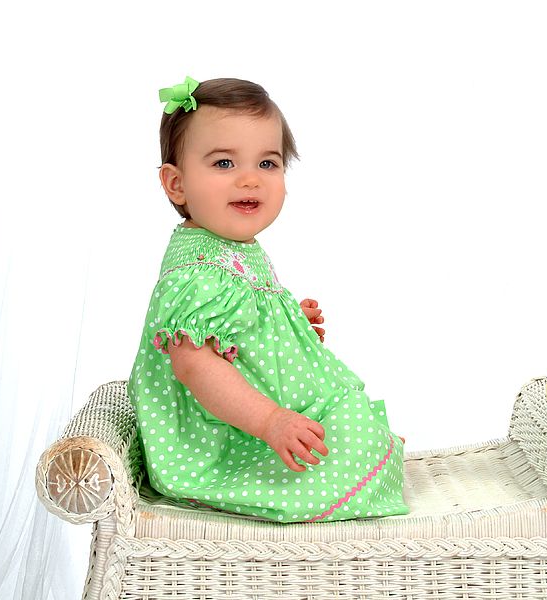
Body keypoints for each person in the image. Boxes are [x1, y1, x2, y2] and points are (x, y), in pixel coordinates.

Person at [127, 76, 409, 523]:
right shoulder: (198, 272)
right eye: (223, 163)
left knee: (353, 424)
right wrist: (271, 423)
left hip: (260, 419)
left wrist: (284, 326)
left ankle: (360, 455)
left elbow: (233, 339)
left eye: (268, 163)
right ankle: (320, 472)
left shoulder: (229, 248)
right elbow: (195, 365)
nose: (249, 179)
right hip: (222, 442)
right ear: (176, 185)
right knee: (355, 442)